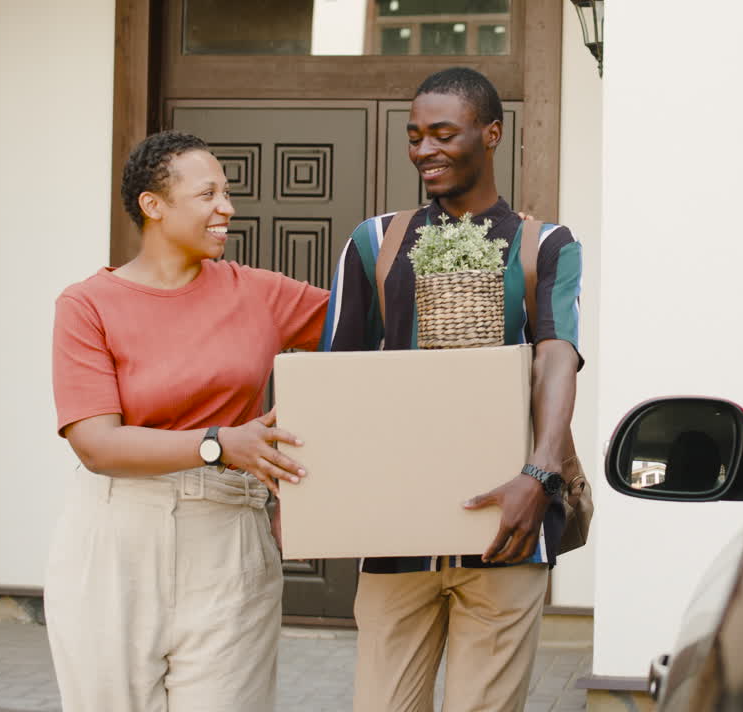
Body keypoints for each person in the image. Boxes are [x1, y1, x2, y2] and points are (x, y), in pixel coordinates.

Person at [322, 67, 585, 712]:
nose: (425, 151)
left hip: (509, 527)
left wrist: (539, 475)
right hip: (394, 536)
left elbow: (557, 355)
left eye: (444, 133)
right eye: (415, 137)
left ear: (491, 133)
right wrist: (316, 494)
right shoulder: (375, 241)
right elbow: (338, 376)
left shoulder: (544, 244)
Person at [46, 130, 328, 712]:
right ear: (154, 205)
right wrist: (219, 443)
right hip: (116, 536)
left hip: (230, 538)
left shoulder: (259, 294)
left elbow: (374, 323)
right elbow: (95, 444)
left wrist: (492, 244)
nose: (227, 207)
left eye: (226, 192)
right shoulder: (87, 305)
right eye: (208, 195)